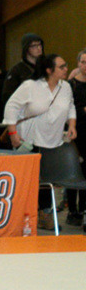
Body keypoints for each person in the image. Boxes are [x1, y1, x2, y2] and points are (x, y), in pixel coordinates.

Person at [3, 53, 77, 231]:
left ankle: (43, 213)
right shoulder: (31, 86)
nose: (66, 68)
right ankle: (26, 214)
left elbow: (71, 105)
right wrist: (12, 132)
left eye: (66, 65)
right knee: (31, 177)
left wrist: (72, 124)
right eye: (62, 66)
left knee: (46, 177)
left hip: (54, 139)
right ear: (49, 70)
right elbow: (11, 106)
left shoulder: (65, 87)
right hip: (30, 138)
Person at [66, 49, 86, 228]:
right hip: (74, 133)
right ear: (78, 64)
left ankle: (84, 209)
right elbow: (65, 109)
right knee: (73, 172)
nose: (85, 66)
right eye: (83, 62)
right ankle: (72, 210)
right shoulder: (69, 85)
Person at [1, 33, 45, 115]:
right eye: (34, 46)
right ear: (26, 48)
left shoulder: (46, 67)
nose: (39, 48)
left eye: (40, 45)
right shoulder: (16, 71)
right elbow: (7, 96)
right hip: (24, 114)